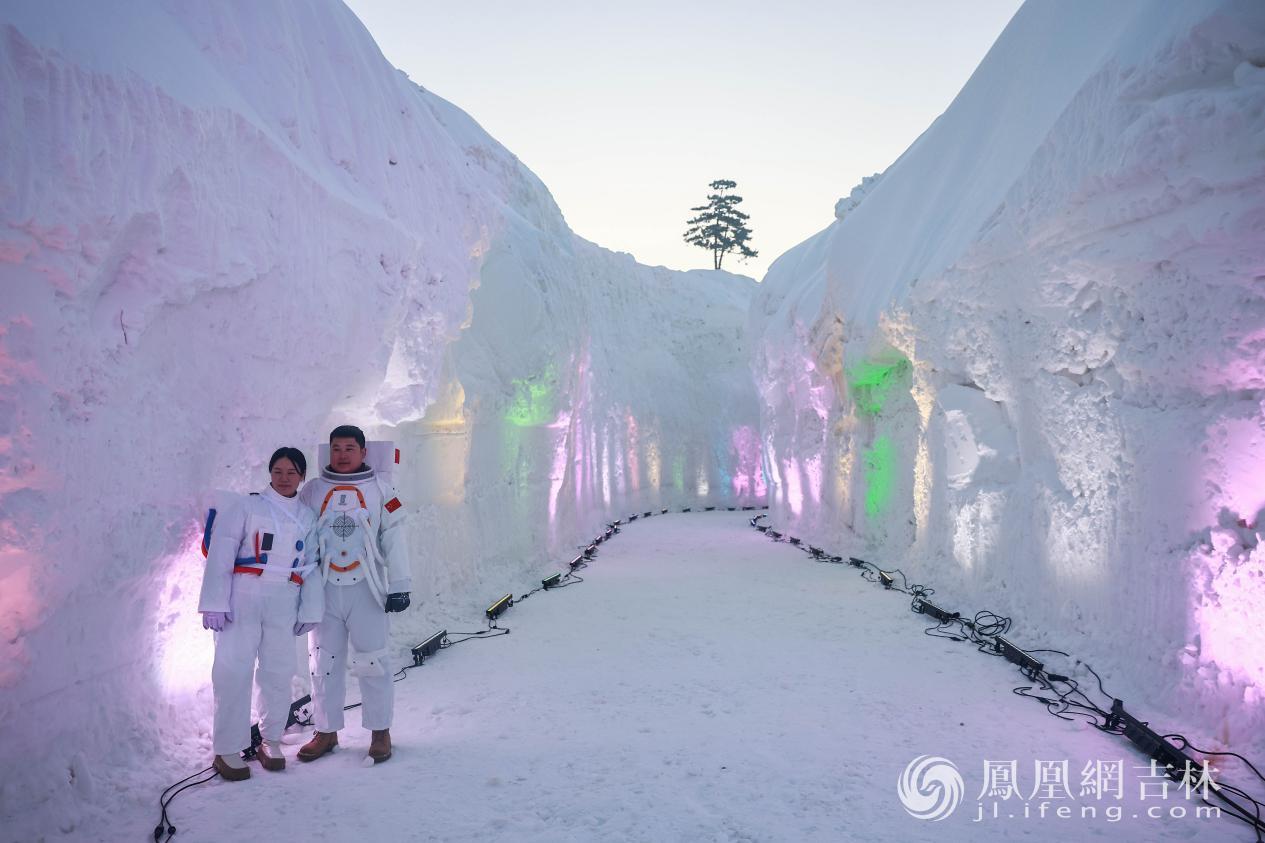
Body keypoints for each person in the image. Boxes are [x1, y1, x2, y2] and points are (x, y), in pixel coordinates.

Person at [198, 447, 322, 781]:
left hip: (285, 597)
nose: (284, 478)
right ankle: (226, 748)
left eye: (292, 472)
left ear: (301, 476)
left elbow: (311, 566)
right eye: (278, 471)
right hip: (244, 594)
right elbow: (222, 550)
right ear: (270, 472)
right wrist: (214, 601)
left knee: (279, 671)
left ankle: (271, 739)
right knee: (232, 669)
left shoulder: (307, 517)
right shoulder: (246, 506)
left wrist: (310, 607)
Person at [297, 425, 411, 764]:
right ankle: (326, 730)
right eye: (336, 448)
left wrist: (401, 584)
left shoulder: (382, 490)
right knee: (323, 661)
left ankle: (380, 730)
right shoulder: (313, 492)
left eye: (350, 448)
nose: (342, 455)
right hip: (324, 589)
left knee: (372, 660)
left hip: (368, 588)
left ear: (364, 452)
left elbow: (395, 537)